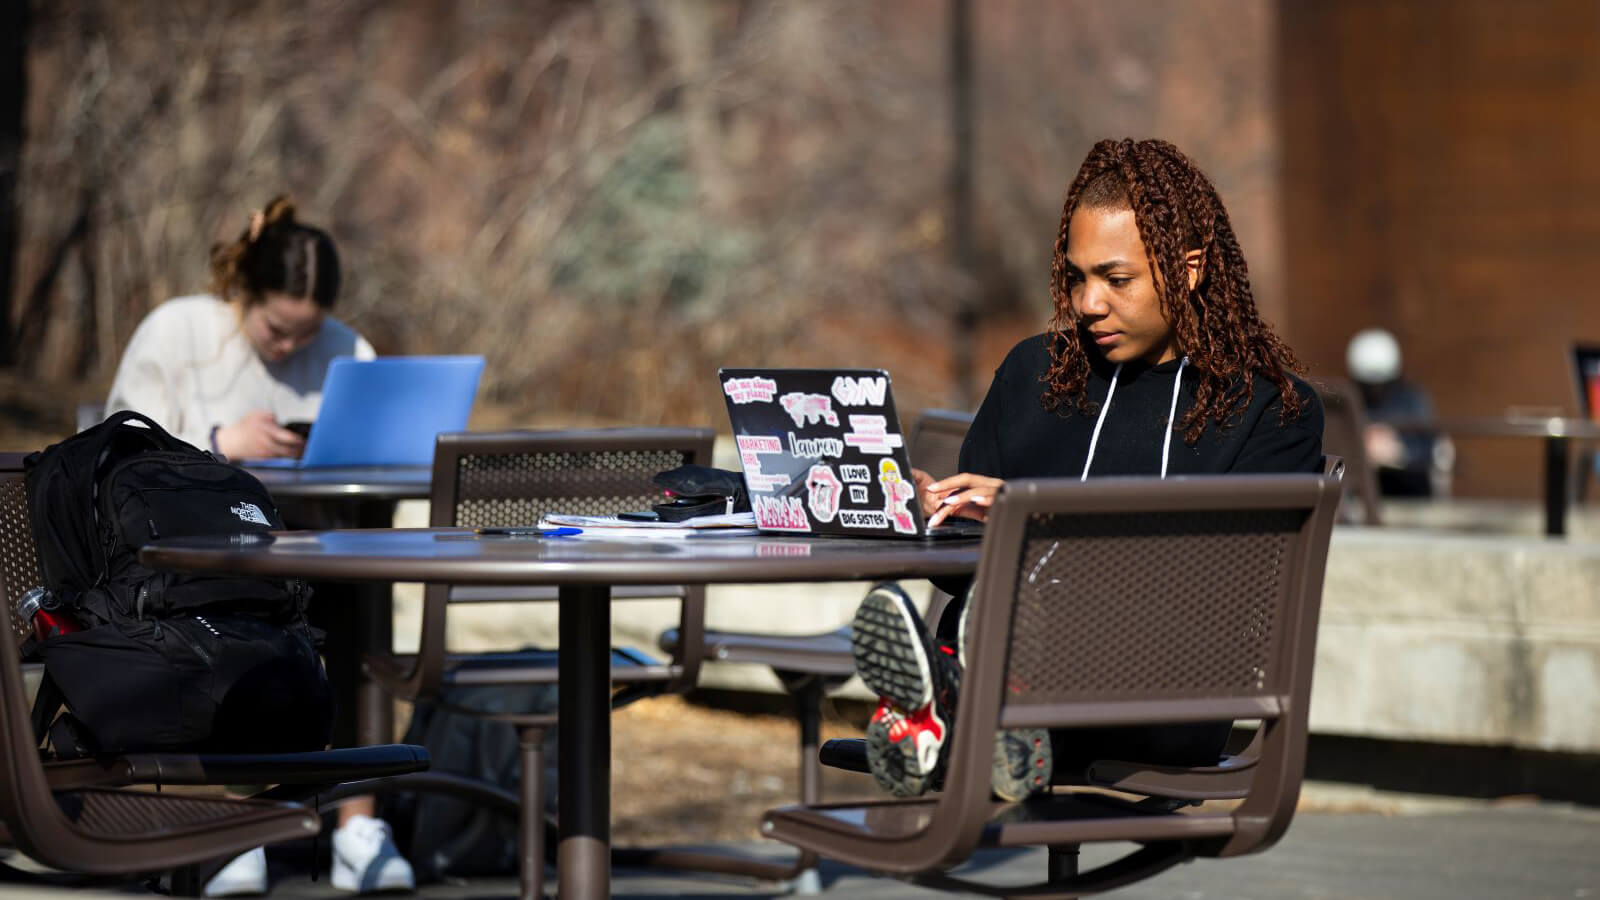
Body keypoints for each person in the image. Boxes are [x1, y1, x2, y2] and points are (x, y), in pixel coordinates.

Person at [850, 138, 1325, 801]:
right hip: (1011, 648)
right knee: (990, 609)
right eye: (1076, 277)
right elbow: (956, 568)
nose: (1087, 303)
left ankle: (952, 707)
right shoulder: (1034, 374)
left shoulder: (1270, 409)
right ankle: (982, 705)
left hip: (1166, 695)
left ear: (1187, 270)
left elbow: (1216, 583)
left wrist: (1035, 517)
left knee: (1006, 614)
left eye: (1115, 278)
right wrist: (937, 516)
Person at [104, 198, 413, 896]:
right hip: (183, 553)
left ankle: (356, 826)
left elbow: (374, 450)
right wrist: (219, 444)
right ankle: (224, 823)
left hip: (309, 537)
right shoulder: (179, 330)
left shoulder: (346, 350)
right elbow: (118, 451)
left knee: (363, 600)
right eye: (277, 329)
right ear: (243, 292)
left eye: (306, 336)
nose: (289, 350)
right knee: (237, 619)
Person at [1346, 327, 1440, 496]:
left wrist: (1400, 452)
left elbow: (1429, 448)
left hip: (1408, 492)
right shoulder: (1347, 400)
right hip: (1361, 494)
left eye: (1383, 385)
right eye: (1368, 386)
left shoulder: (1412, 400)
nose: (1375, 391)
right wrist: (1361, 447)